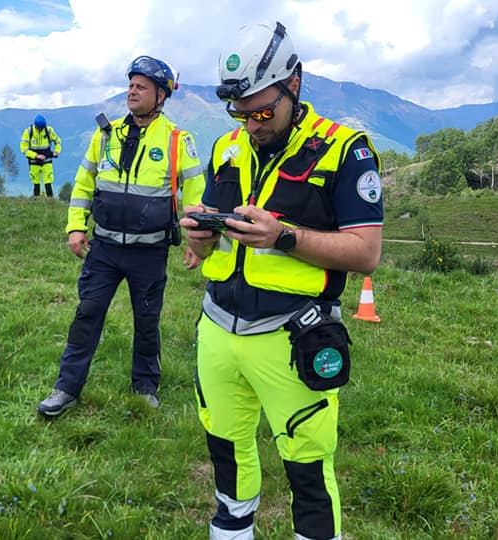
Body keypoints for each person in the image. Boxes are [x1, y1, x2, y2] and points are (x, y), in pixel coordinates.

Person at [180, 22, 383, 540]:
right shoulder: (226, 147)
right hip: (218, 330)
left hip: (293, 336)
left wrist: (283, 237)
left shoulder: (346, 150)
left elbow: (366, 253)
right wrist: (199, 236)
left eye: (262, 112)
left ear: (294, 83)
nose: (252, 125)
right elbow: (210, 247)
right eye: (240, 113)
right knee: (226, 457)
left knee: (308, 474)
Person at [37, 55, 205, 416]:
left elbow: (195, 194)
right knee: (87, 314)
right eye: (131, 84)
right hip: (105, 248)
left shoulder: (178, 140)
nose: (132, 91)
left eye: (141, 86)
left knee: (147, 322)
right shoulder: (105, 134)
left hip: (150, 252)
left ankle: (145, 388)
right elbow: (84, 182)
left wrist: (196, 239)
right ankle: (66, 388)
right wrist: (76, 226)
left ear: (161, 95)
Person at [20, 114, 62, 197]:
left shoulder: (49, 130)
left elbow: (58, 142)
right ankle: (37, 199)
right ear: (35, 126)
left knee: (48, 181)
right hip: (34, 161)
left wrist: (57, 151)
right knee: (36, 182)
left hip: (47, 160)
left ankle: (50, 200)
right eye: (40, 128)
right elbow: (24, 149)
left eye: (42, 127)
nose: (41, 129)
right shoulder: (28, 132)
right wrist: (36, 156)